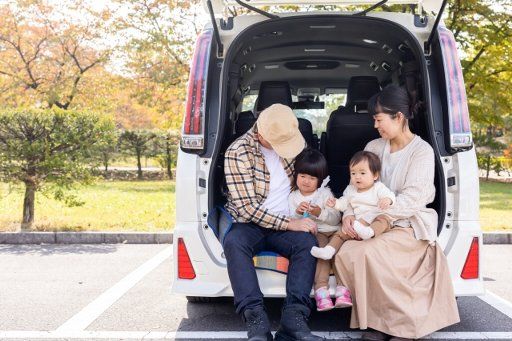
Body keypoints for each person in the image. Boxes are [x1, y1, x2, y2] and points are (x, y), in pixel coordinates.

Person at [333, 85, 460, 341]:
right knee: (347, 252)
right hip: (367, 221)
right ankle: (381, 322)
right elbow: (354, 185)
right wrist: (348, 214)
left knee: (369, 251)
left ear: (398, 117)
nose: (375, 125)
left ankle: (403, 325)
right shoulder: (374, 145)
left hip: (408, 224)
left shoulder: (421, 151)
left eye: (379, 119)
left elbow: (414, 198)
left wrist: (382, 219)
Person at [223, 103, 324, 341]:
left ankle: (294, 320)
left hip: (289, 217)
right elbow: (247, 209)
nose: (286, 149)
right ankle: (256, 320)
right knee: (234, 242)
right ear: (260, 134)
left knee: (307, 244)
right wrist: (289, 224)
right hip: (251, 223)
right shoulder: (237, 152)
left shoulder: (292, 138)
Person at [287, 148, 347, 312]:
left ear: (320, 180)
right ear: (296, 175)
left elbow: (336, 218)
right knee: (321, 254)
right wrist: (298, 213)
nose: (306, 181)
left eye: (312, 178)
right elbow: (291, 223)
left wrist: (319, 212)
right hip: (316, 233)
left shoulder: (325, 193)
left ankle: (343, 290)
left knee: (339, 255)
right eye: (302, 176)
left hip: (335, 230)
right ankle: (322, 291)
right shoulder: (293, 197)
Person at [310, 150, 396, 262]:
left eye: (362, 173)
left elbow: (390, 195)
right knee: (340, 233)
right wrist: (335, 203)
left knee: (383, 220)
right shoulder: (350, 190)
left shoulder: (378, 187)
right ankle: (328, 250)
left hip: (374, 217)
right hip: (359, 223)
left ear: (375, 175)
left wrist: (387, 200)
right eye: (353, 173)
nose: (357, 177)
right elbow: (344, 203)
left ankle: (370, 232)